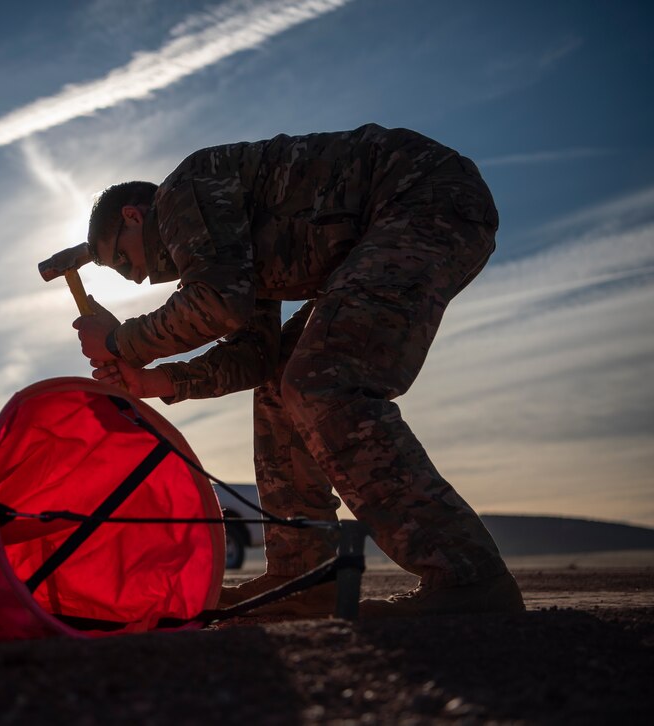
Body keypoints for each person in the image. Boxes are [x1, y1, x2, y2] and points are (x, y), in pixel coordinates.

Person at [71, 123, 524, 617]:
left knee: (323, 381)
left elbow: (219, 303)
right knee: (279, 386)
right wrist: (155, 382)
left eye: (121, 259)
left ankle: (468, 576)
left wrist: (120, 340)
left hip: (421, 196)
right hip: (390, 224)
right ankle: (305, 579)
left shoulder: (186, 190)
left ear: (134, 216)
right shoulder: (220, 243)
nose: (134, 276)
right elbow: (254, 355)